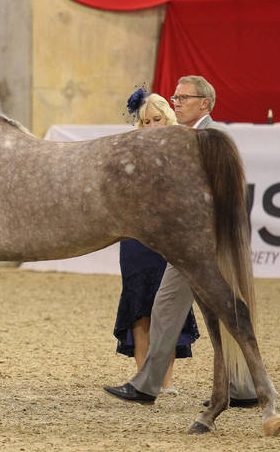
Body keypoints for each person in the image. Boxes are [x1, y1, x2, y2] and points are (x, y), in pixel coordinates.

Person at [104, 75, 257, 406]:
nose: (176, 102)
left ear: (204, 102)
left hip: (199, 243)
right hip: (193, 242)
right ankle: (242, 388)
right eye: (175, 97)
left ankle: (148, 385)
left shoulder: (210, 137)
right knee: (215, 309)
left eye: (183, 98)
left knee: (171, 306)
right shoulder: (190, 137)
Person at [112, 91, 199, 394]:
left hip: (169, 239)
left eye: (156, 119)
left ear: (168, 118)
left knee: (168, 309)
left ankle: (165, 381)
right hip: (136, 238)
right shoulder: (129, 151)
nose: (150, 126)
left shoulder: (182, 147)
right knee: (139, 310)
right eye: (145, 121)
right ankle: (142, 378)